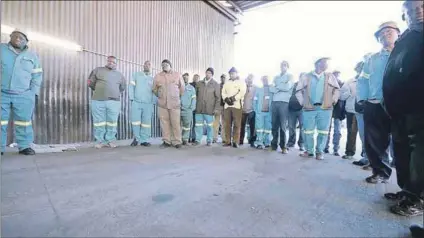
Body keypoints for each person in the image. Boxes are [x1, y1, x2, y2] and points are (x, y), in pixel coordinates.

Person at [382, 0, 424, 221]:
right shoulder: (406, 38)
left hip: (419, 106)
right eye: (411, 10)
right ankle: (408, 191)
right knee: (402, 149)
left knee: (420, 152)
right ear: (404, 15)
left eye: (421, 7)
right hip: (400, 109)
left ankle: (417, 198)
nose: (417, 12)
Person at [356, 21, 400, 183]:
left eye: (389, 31)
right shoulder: (372, 60)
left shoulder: (404, 54)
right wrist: (362, 99)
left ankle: (408, 185)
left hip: (399, 105)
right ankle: (380, 172)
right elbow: (362, 81)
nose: (385, 34)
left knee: (401, 143)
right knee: (374, 142)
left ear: (398, 34)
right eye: (381, 34)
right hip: (374, 104)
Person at [1, 30, 43, 156]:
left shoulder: (32, 56)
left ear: (26, 41)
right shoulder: (1, 50)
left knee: (23, 121)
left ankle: (24, 146)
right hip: (2, 93)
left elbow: (37, 75)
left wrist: (33, 93)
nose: (18, 39)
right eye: (15, 36)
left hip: (24, 95)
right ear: (10, 37)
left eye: (21, 37)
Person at [295, 57, 340, 160]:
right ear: (317, 64)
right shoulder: (306, 76)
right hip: (309, 108)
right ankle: (309, 151)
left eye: (327, 63)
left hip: (325, 108)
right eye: (324, 62)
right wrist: (303, 102)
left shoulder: (330, 76)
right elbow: (298, 91)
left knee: (323, 131)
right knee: (308, 131)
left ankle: (319, 152)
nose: (326, 65)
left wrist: (333, 100)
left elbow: (337, 90)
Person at [88, 56, 126, 149]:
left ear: (116, 64)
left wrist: (113, 92)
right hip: (98, 100)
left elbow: (122, 87)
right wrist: (99, 90)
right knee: (99, 122)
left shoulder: (119, 75)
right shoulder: (97, 70)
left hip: (113, 102)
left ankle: (110, 140)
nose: (111, 63)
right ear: (107, 61)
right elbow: (90, 83)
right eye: (109, 61)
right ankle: (100, 141)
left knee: (112, 122)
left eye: (113, 62)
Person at [152, 59, 184, 148]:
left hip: (174, 104)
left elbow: (182, 89)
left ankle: (177, 141)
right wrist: (159, 95)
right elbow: (154, 89)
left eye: (166, 64)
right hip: (162, 104)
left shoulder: (177, 75)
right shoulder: (158, 76)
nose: (164, 66)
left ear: (170, 65)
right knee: (164, 123)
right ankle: (167, 141)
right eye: (162, 65)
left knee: (175, 123)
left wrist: (176, 97)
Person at [270, 61, 294, 154]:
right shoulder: (276, 77)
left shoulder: (290, 76)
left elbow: (287, 87)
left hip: (284, 103)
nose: (282, 67)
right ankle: (274, 145)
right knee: (274, 125)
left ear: (287, 67)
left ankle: (283, 146)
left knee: (283, 126)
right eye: (281, 65)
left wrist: (277, 87)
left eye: (284, 65)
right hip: (275, 102)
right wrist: (281, 86)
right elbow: (271, 88)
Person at [129, 60, 155, 147]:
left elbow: (155, 91)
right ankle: (136, 138)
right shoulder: (136, 75)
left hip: (148, 103)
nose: (147, 66)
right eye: (146, 64)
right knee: (135, 121)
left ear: (151, 67)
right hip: (136, 102)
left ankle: (144, 140)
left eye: (149, 64)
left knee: (146, 122)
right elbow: (131, 86)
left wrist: (154, 102)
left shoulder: (153, 79)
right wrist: (132, 98)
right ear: (143, 66)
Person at [341, 62, 363, 160]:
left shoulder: (369, 79)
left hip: (364, 110)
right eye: (359, 67)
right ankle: (349, 152)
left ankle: (366, 155)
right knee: (351, 132)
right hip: (351, 110)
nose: (361, 69)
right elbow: (341, 96)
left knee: (365, 133)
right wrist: (349, 93)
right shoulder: (350, 81)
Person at [193, 68, 221, 146]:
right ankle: (197, 140)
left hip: (209, 109)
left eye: (210, 73)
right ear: (205, 73)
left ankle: (209, 140)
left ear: (212, 75)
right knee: (198, 125)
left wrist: (216, 109)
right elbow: (195, 96)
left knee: (210, 126)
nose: (208, 74)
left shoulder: (215, 84)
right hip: (199, 108)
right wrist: (194, 106)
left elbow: (218, 98)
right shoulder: (199, 83)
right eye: (207, 72)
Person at [222, 67, 247, 148]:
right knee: (227, 124)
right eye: (230, 73)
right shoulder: (226, 83)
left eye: (233, 73)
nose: (232, 75)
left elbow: (242, 92)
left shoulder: (241, 82)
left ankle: (236, 141)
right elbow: (223, 92)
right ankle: (227, 141)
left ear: (236, 74)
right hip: (227, 106)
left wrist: (233, 98)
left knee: (237, 124)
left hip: (236, 106)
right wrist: (226, 99)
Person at [324, 70, 347, 156]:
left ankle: (335, 149)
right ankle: (325, 147)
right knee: (327, 129)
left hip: (338, 111)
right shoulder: (327, 85)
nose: (336, 76)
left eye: (337, 74)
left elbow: (343, 97)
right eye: (335, 74)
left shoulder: (342, 84)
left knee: (337, 131)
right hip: (328, 109)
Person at [287, 73, 305, 151]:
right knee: (291, 127)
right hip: (291, 109)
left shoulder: (306, 86)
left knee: (302, 128)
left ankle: (301, 144)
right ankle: (291, 142)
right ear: (299, 77)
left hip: (302, 110)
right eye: (302, 77)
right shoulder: (293, 85)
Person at [254, 76, 273, 149]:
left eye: (267, 80)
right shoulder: (258, 90)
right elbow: (255, 101)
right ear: (262, 81)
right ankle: (259, 143)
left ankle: (267, 142)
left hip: (269, 113)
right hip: (260, 113)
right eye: (264, 80)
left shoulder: (271, 90)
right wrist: (256, 110)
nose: (265, 81)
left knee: (268, 129)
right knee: (259, 128)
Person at [240, 74, 256, 147]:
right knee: (242, 126)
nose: (250, 80)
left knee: (252, 127)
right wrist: (246, 86)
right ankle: (241, 141)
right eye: (248, 79)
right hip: (243, 110)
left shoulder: (256, 88)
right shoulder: (243, 87)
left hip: (252, 110)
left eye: (251, 79)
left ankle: (252, 141)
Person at [180, 73, 197, 145]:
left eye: (187, 78)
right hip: (179, 109)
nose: (185, 79)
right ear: (182, 78)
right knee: (178, 125)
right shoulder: (179, 87)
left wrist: (192, 108)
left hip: (188, 110)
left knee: (187, 126)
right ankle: (178, 139)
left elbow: (194, 98)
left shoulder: (192, 88)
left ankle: (185, 139)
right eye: (184, 78)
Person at [213, 74, 226, 143]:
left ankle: (224, 138)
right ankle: (215, 138)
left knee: (224, 123)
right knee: (216, 123)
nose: (223, 79)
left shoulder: (228, 86)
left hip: (225, 107)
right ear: (220, 79)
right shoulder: (217, 86)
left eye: (224, 78)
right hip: (218, 106)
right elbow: (214, 96)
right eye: (222, 78)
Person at [189, 74, 200, 143]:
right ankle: (187, 137)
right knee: (188, 123)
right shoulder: (189, 85)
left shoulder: (201, 86)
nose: (195, 79)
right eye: (194, 77)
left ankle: (194, 137)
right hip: (189, 107)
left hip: (197, 107)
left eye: (197, 78)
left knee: (196, 124)